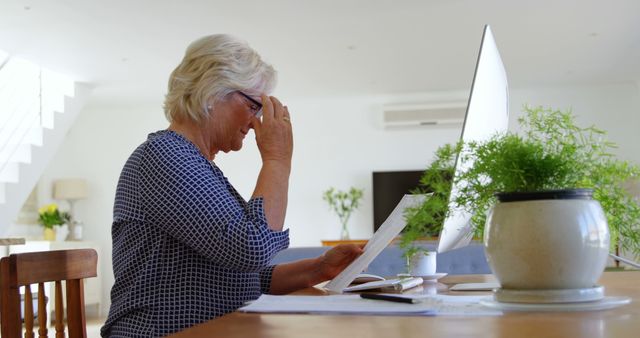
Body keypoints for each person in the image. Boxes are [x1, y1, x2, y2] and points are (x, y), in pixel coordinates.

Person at [101, 35, 363, 337]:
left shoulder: (196, 163)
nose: (256, 123)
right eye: (254, 106)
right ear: (212, 92)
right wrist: (277, 159)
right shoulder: (163, 156)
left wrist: (317, 270)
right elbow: (251, 250)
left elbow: (243, 274)